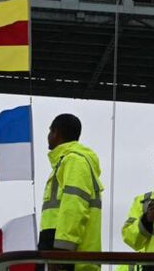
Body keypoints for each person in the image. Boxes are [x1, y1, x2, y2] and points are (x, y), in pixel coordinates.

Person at [38, 114, 103, 271]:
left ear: (57, 133)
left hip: (68, 255)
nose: (48, 136)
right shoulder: (66, 161)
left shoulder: (74, 160)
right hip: (59, 248)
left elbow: (74, 205)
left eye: (50, 131)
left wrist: (62, 250)